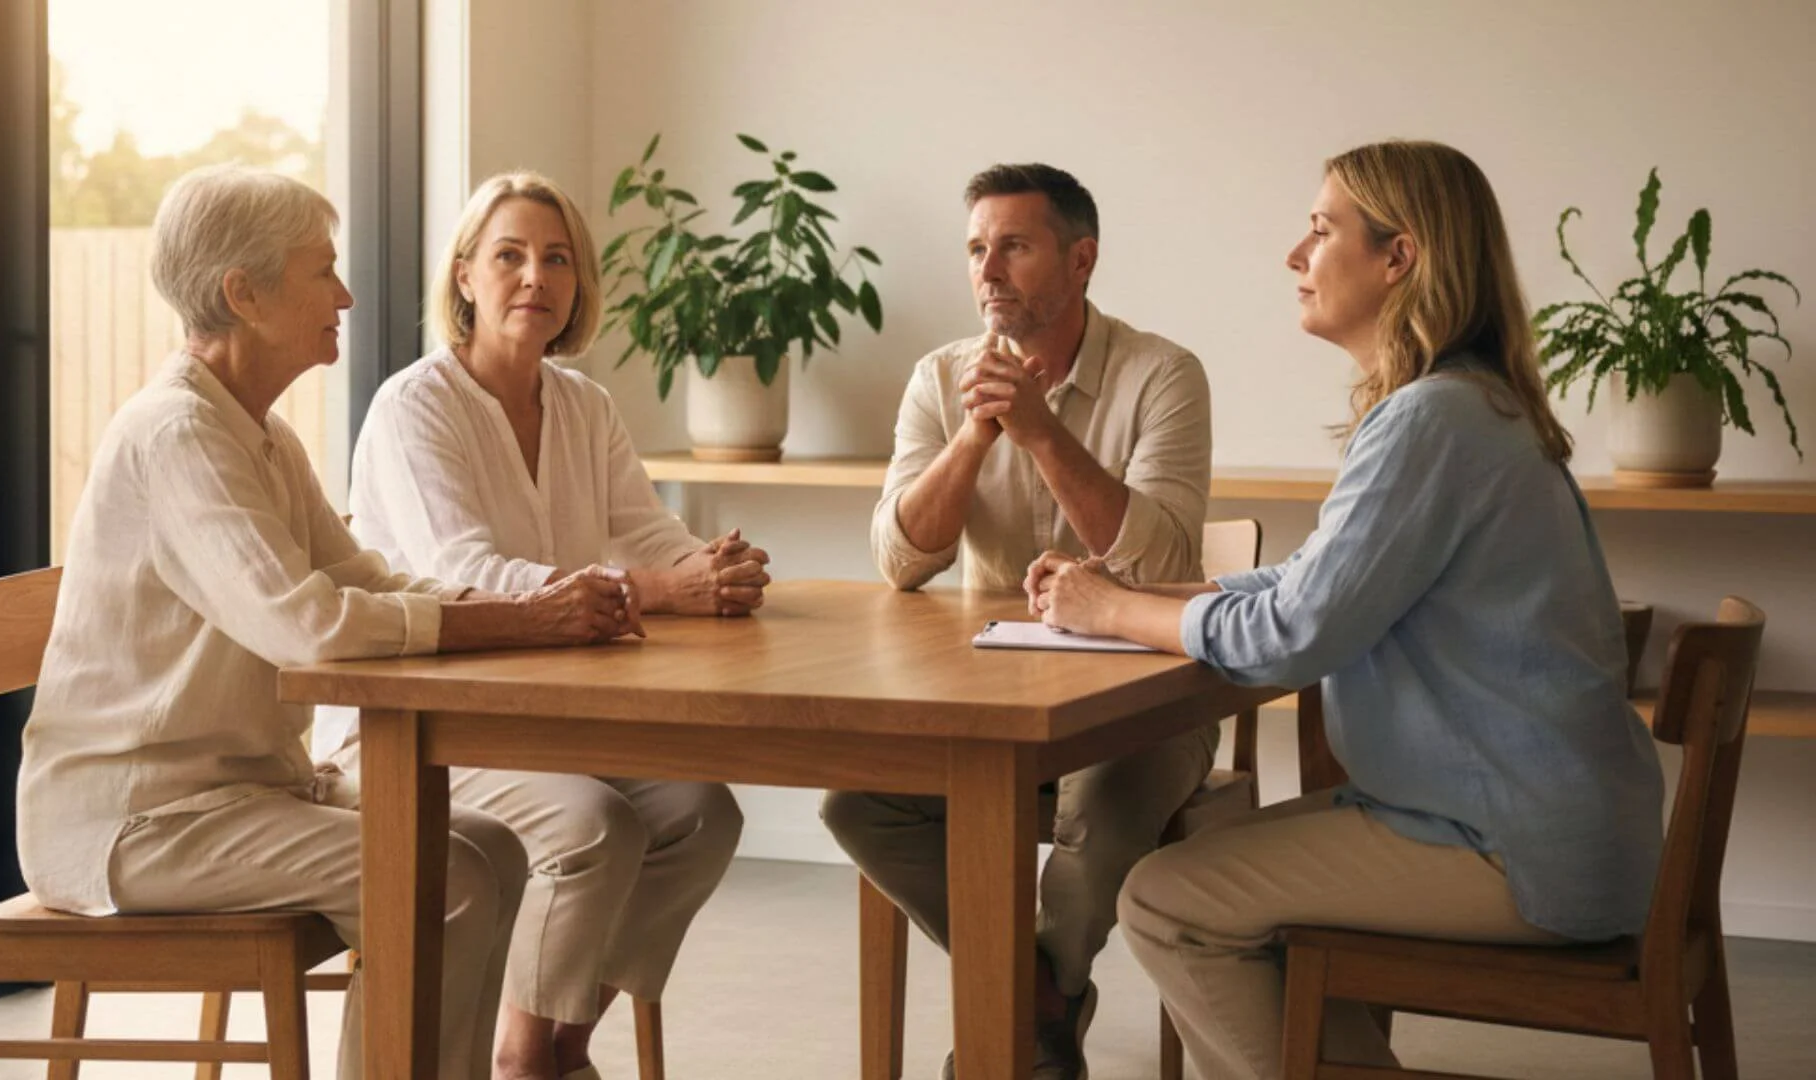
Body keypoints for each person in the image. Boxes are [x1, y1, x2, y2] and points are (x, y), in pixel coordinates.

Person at [1031, 140, 1665, 1080]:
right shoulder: (1463, 405)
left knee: (1165, 900)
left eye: (1322, 230)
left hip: (1506, 848)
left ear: (1399, 258)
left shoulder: (1429, 420)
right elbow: (1312, 583)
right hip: (1532, 822)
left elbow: (1294, 635)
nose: (1297, 254)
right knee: (1201, 870)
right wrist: (1143, 595)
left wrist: (1117, 614)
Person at [17, 165, 647, 1080]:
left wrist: (520, 616)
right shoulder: (178, 436)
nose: (346, 294)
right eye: (323, 271)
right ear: (244, 293)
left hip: (244, 791)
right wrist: (525, 618)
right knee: (449, 879)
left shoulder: (261, 433)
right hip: (138, 821)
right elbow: (309, 626)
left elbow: (368, 576)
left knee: (498, 852)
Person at [335, 171, 760, 1080]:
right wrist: (659, 589)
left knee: (701, 813)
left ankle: (561, 1041)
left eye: (556, 258)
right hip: (415, 727)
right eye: (510, 255)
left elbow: (649, 532)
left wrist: (710, 571)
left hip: (545, 717)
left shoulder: (583, 403)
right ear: (463, 276)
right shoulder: (416, 407)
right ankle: (524, 1057)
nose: (537, 276)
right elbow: (470, 578)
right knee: (594, 825)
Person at [822, 163, 1214, 1079]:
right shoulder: (939, 378)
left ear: (1081, 261)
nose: (988, 269)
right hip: (993, 711)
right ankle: (1039, 997)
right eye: (975, 249)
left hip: (1145, 705)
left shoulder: (1164, 375)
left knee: (1105, 803)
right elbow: (901, 559)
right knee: (856, 801)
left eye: (1014, 246)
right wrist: (975, 436)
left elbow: (1158, 561)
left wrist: (1041, 431)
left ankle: (1030, 1017)